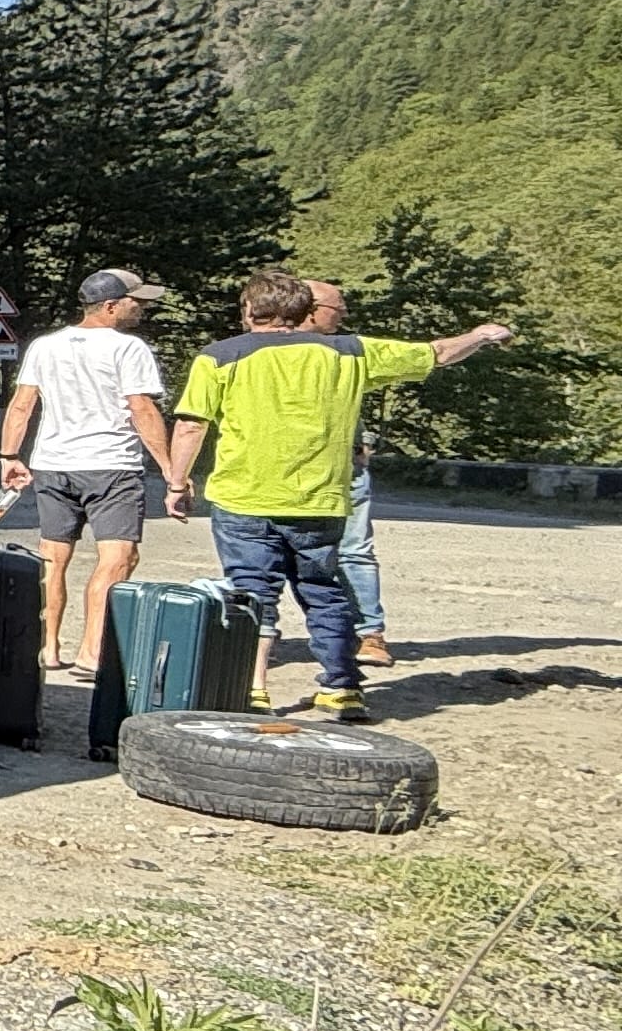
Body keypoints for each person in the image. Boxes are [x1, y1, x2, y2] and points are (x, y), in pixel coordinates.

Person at [166, 269, 512, 720]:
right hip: (321, 500)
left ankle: (254, 688)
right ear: (303, 311)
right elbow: (437, 353)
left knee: (253, 593)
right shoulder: (351, 352)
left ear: (249, 309)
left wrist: (178, 482)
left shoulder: (218, 357)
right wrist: (481, 335)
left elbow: (191, 424)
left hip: (243, 497)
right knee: (324, 591)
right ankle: (343, 686)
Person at [0, 269, 180, 678]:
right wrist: (170, 470)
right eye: (135, 301)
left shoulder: (44, 346)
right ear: (110, 306)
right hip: (112, 465)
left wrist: (9, 456)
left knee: (53, 558)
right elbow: (142, 409)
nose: (142, 307)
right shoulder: (128, 348)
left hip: (53, 463)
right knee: (118, 558)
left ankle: (48, 648)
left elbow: (22, 404)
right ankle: (92, 652)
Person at [303, 279, 394, 669]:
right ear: (309, 309)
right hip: (285, 469)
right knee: (266, 556)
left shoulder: (347, 351)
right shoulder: (263, 349)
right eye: (336, 309)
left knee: (355, 550)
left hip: (345, 466)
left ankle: (369, 633)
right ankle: (256, 636)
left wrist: (361, 442)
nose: (342, 316)